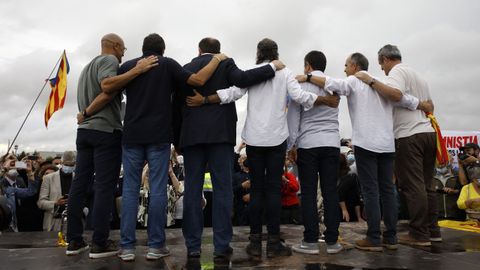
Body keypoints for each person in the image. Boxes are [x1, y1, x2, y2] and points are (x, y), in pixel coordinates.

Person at [186, 38, 339, 258]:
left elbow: (233, 93)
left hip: (255, 139)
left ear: (259, 53)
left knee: (256, 191)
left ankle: (255, 242)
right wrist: (324, 100)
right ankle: (274, 242)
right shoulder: (284, 73)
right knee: (274, 190)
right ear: (276, 53)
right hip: (277, 139)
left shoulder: (252, 72)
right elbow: (299, 97)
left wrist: (205, 100)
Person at [298, 52, 429, 251]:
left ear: (355, 66)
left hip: (366, 144)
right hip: (387, 145)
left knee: (370, 191)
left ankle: (374, 238)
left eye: (346, 65)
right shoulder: (383, 83)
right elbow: (403, 99)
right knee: (388, 191)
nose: (344, 69)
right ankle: (391, 237)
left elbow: (332, 84)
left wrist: (307, 77)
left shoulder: (354, 81)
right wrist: (424, 105)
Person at [116, 33, 227, 262]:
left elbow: (111, 89)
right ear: (162, 50)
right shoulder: (168, 65)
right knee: (157, 189)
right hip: (158, 135)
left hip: (132, 134)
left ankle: (127, 247)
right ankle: (156, 245)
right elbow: (196, 81)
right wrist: (216, 59)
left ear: (143, 48)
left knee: (129, 190)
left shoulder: (127, 66)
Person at [174, 37, 285, 259]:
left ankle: (193, 246)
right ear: (219, 51)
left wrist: (178, 141)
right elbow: (244, 79)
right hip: (220, 135)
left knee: (192, 191)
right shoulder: (225, 63)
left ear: (199, 50)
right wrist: (273, 66)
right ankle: (221, 246)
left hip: (192, 137)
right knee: (223, 190)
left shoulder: (186, 68)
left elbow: (175, 104)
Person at [67, 33, 158, 259]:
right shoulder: (109, 61)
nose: (124, 53)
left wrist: (85, 114)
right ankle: (99, 243)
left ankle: (74, 241)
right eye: (123, 48)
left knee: (79, 186)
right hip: (105, 131)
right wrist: (138, 69)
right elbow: (108, 87)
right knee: (105, 187)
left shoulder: (87, 66)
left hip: (84, 132)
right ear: (115, 46)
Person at [355, 44, 439, 246]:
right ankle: (433, 231)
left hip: (409, 135)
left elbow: (394, 94)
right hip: (428, 132)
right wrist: (419, 104)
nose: (383, 70)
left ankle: (419, 233)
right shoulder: (418, 75)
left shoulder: (397, 71)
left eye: (381, 65)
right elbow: (430, 105)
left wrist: (372, 81)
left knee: (413, 186)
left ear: (385, 59)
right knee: (428, 185)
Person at [286, 50, 343, 255]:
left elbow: (293, 120)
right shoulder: (333, 84)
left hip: (308, 144)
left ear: (308, 65)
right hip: (331, 143)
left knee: (308, 194)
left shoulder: (300, 85)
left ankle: (310, 241)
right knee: (330, 192)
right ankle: (333, 242)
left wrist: (291, 146)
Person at [37, 151, 76, 231]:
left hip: (73, 221)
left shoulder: (78, 178)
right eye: (66, 164)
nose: (68, 167)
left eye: (71, 165)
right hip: (54, 222)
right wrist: (56, 203)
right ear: (61, 163)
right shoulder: (49, 178)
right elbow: (41, 203)